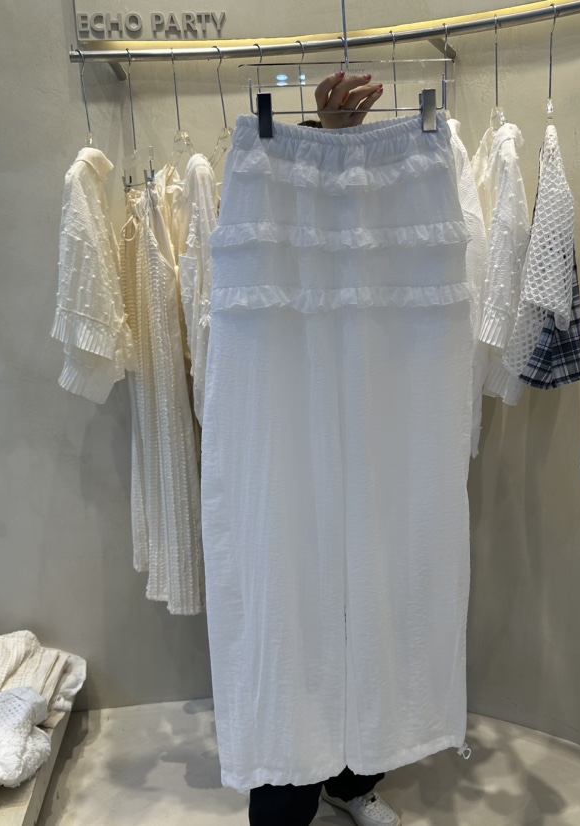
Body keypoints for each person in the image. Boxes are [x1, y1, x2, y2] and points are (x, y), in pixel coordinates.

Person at [247, 72, 403, 826]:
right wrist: (329, 141)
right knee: (299, 623)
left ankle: (354, 780)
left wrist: (347, 146)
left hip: (374, 434)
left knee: (370, 613)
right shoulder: (266, 206)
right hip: (295, 441)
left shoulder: (397, 211)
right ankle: (288, 800)